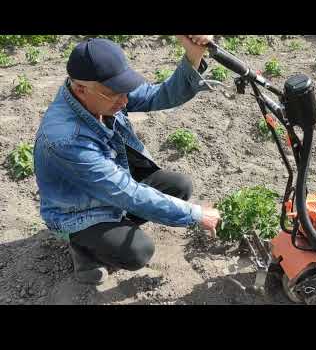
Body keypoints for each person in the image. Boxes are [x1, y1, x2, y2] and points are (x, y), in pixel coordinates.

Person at [34, 35, 221, 285]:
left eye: (125, 91)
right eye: (114, 94)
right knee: (137, 251)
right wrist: (196, 215)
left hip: (109, 188)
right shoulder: (66, 138)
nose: (124, 101)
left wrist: (192, 55)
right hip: (77, 212)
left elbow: (159, 96)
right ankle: (82, 247)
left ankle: (108, 232)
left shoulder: (100, 91)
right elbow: (126, 192)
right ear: (80, 89)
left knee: (179, 187)